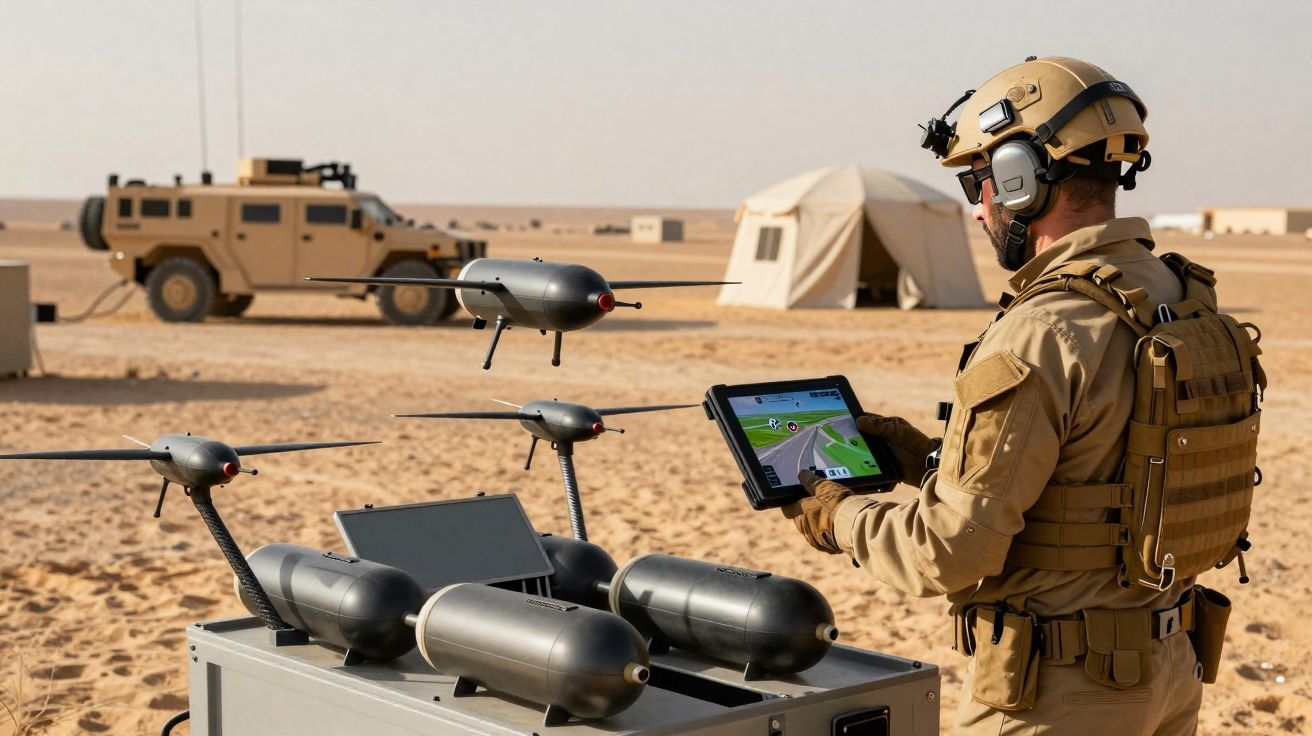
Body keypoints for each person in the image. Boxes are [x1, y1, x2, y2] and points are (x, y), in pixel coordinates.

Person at [784, 56, 1264, 735]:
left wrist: (840, 516)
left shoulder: (1041, 331)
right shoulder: (1174, 296)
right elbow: (1101, 483)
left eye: (979, 183)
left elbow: (946, 553)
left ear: (1020, 179)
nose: (979, 208)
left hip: (1059, 694)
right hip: (1168, 670)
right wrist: (928, 461)